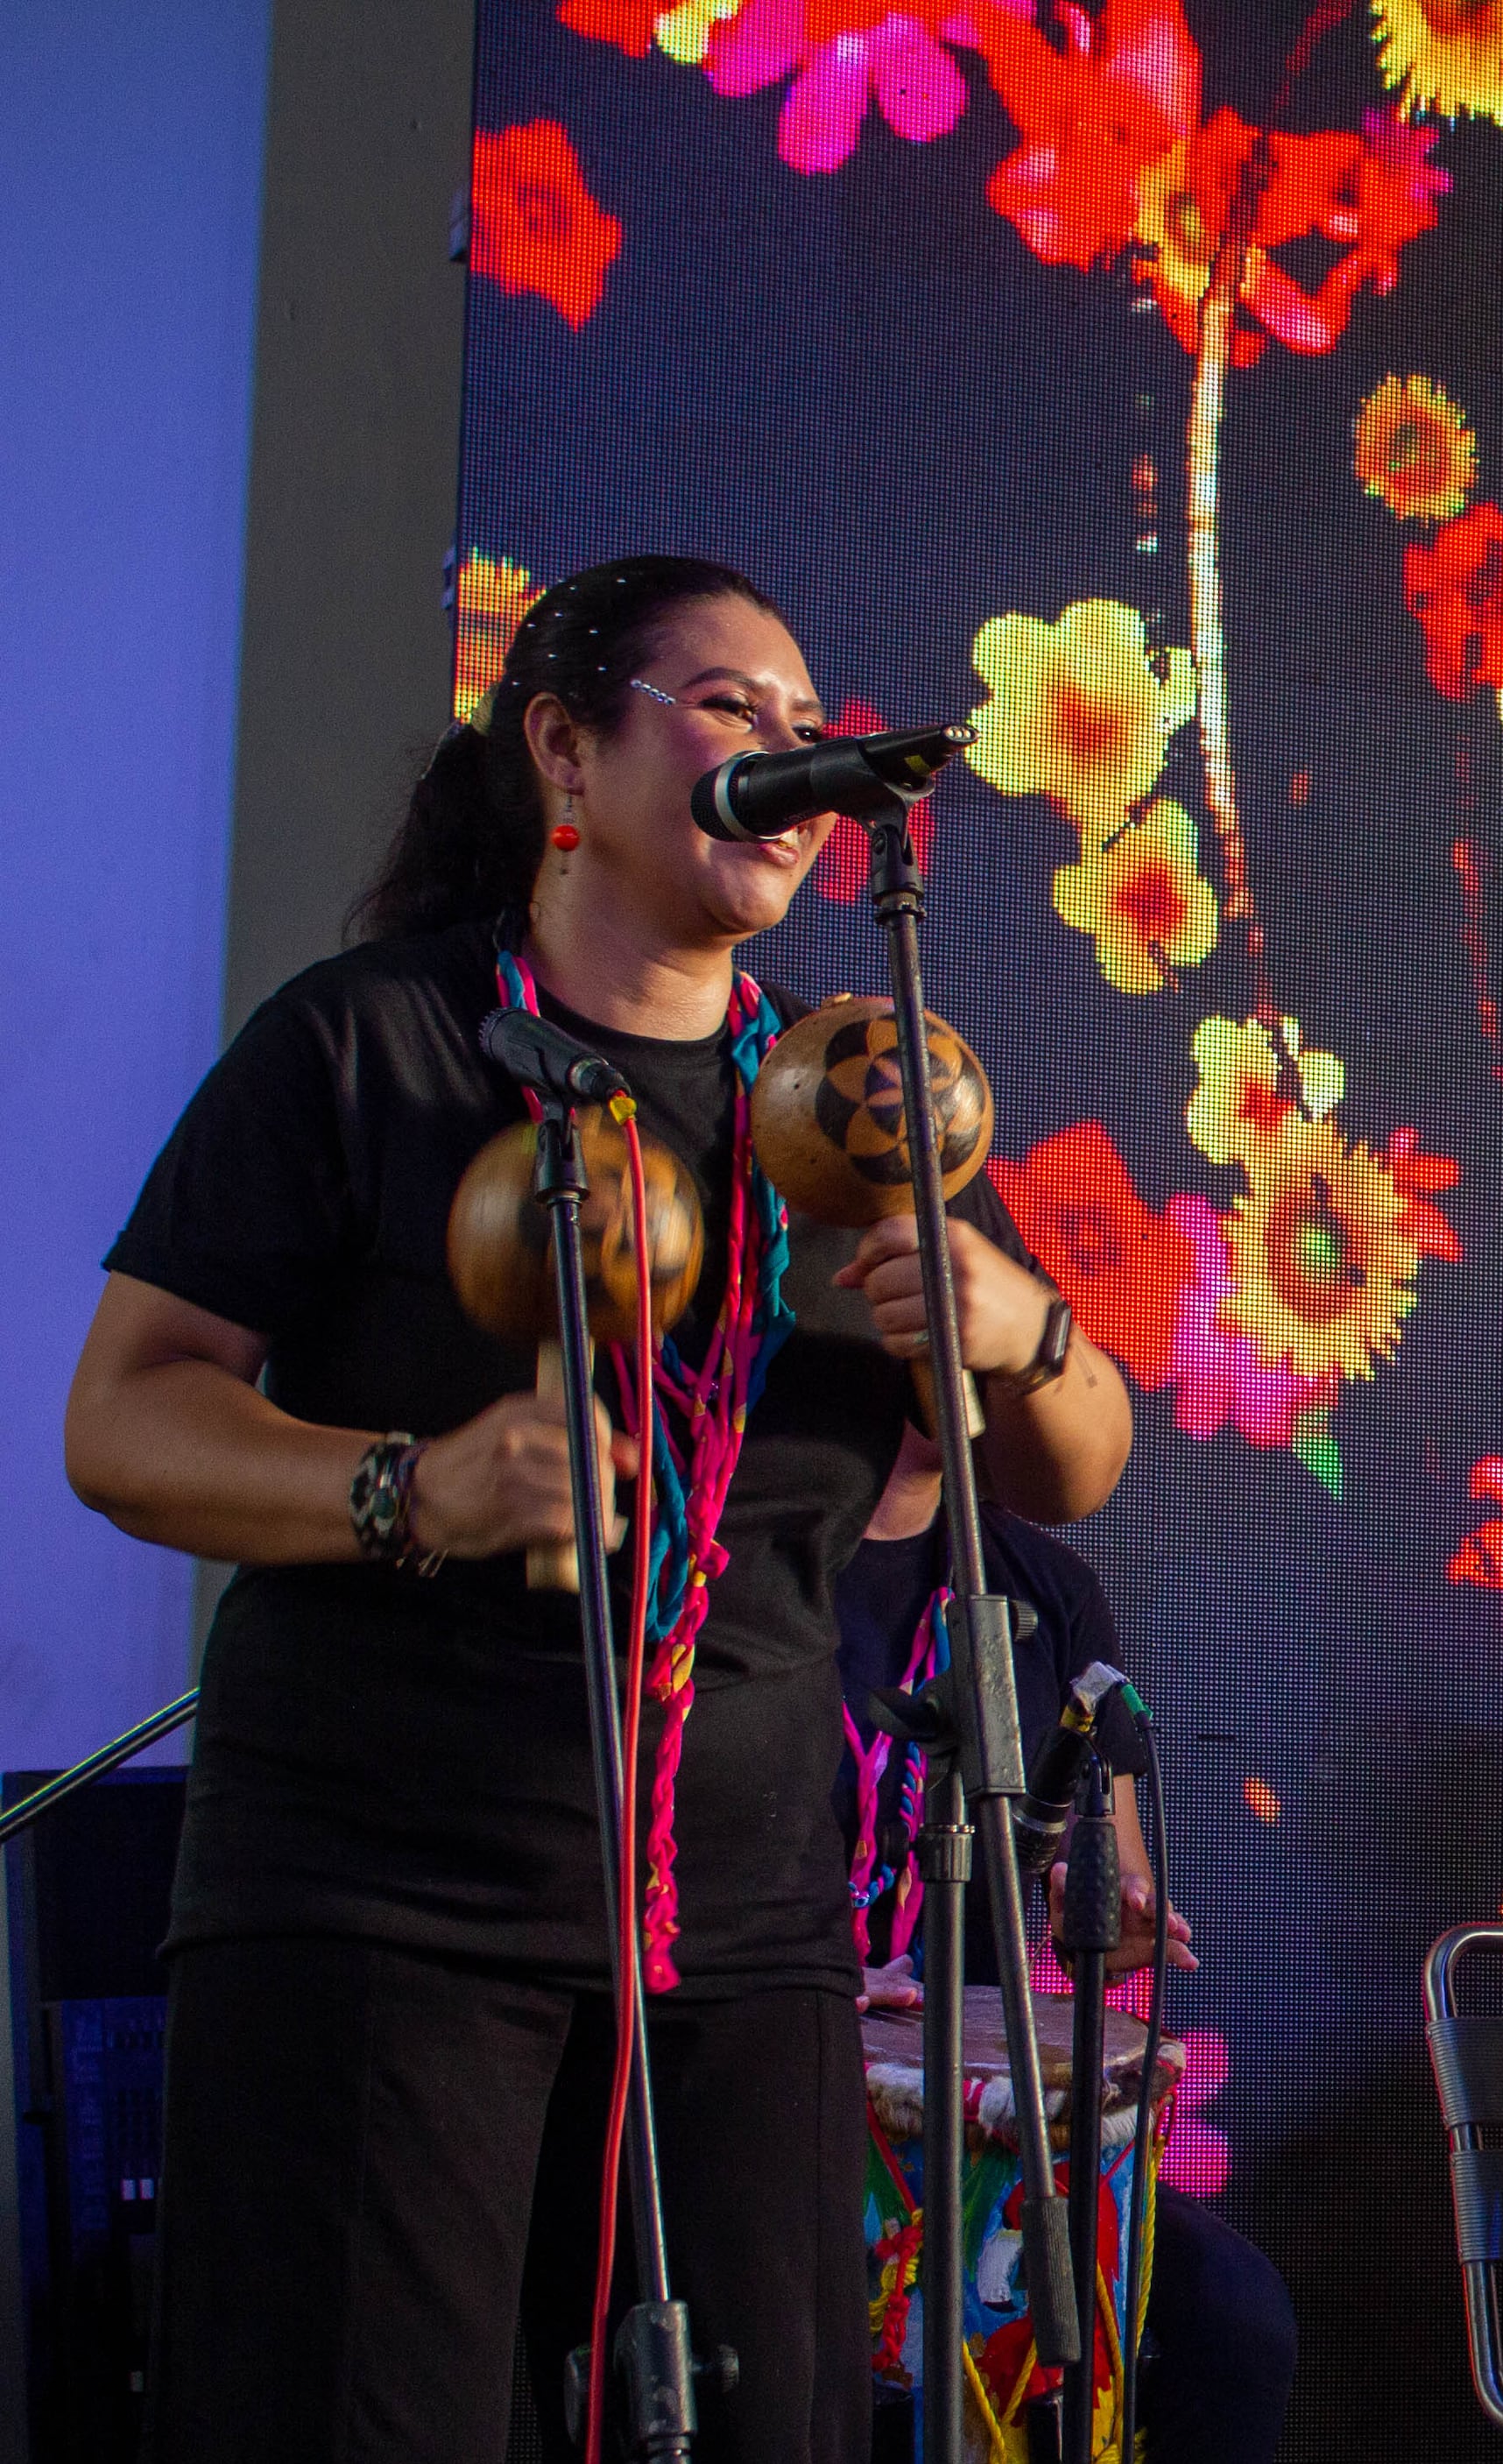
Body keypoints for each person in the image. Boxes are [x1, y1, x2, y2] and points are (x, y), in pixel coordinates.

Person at [63, 554, 1134, 2464]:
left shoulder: (849, 1086)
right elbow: (126, 1418)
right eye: (734, 710)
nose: (791, 763)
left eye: (812, 730)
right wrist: (408, 1485)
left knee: (766, 2425)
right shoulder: (371, 1040)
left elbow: (1074, 1462)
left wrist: (1022, 1327)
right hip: (382, 1897)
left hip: (739, 1921)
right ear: (563, 742)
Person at [834, 1433, 1295, 2462]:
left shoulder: (1049, 1587)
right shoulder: (743, 1561)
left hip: (990, 2139)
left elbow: (1112, 1855)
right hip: (773, 2077)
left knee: (1234, 2318)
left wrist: (1116, 1908)